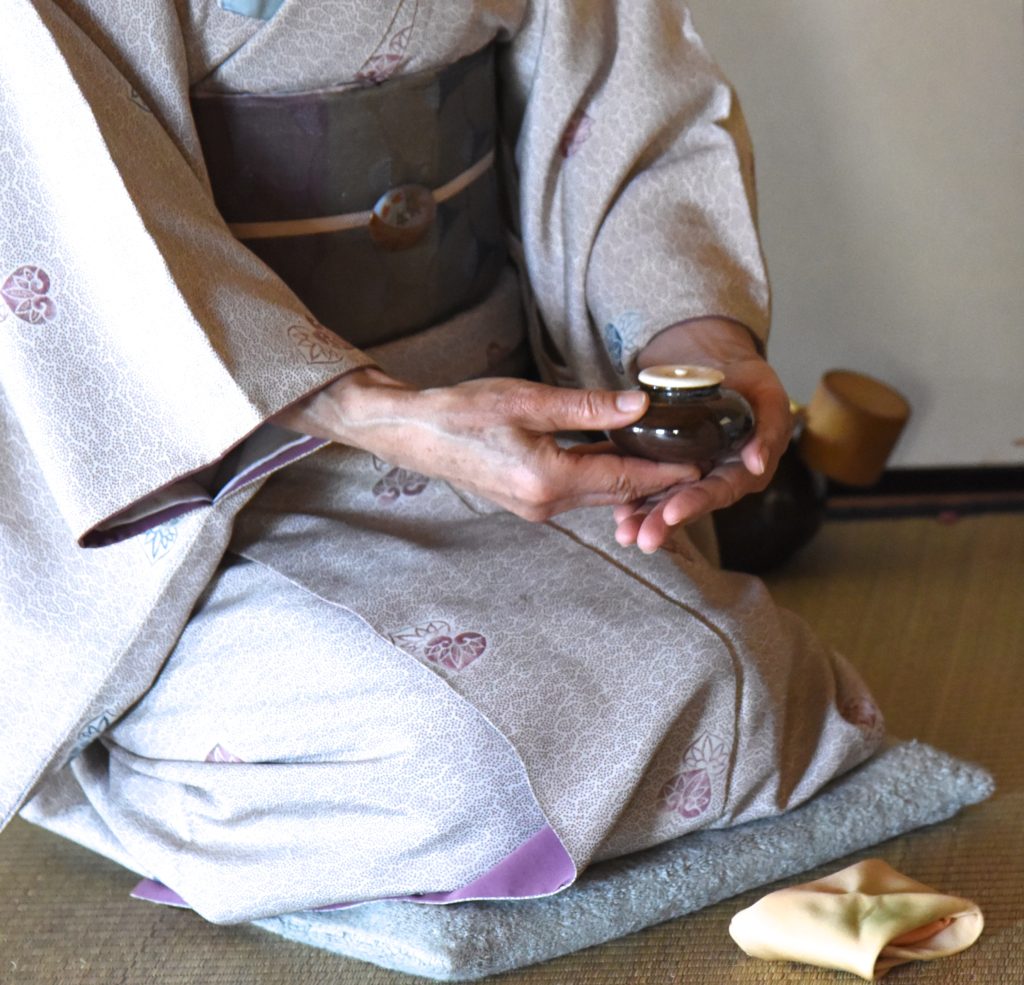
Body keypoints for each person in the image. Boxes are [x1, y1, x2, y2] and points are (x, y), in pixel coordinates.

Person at [1, 0, 884, 923]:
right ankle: (97, 749)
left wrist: (692, 342)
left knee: (747, 680)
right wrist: (372, 409)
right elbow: (58, 180)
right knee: (453, 763)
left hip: (494, 415)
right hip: (213, 463)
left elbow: (620, 94)